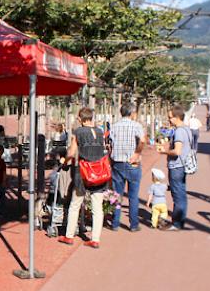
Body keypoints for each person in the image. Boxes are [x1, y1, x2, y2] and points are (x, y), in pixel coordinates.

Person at [58, 108, 108, 249]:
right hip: (98, 171)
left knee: (75, 204)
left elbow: (72, 151)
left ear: (80, 119)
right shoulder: (99, 132)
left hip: (84, 171)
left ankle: (69, 236)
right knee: (97, 207)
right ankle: (96, 238)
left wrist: (65, 160)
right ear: (91, 118)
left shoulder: (78, 132)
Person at [109, 103, 145, 232]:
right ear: (132, 113)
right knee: (133, 196)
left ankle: (115, 223)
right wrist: (137, 153)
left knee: (117, 194)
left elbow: (110, 144)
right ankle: (133, 224)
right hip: (132, 163)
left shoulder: (114, 126)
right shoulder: (136, 125)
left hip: (117, 163)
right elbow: (142, 140)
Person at [157, 104, 191, 231]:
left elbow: (177, 151)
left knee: (177, 195)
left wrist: (164, 152)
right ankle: (180, 221)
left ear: (177, 117)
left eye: (170, 117)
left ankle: (176, 223)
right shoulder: (187, 130)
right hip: (182, 166)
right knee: (181, 194)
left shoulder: (179, 131)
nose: (169, 120)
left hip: (176, 166)